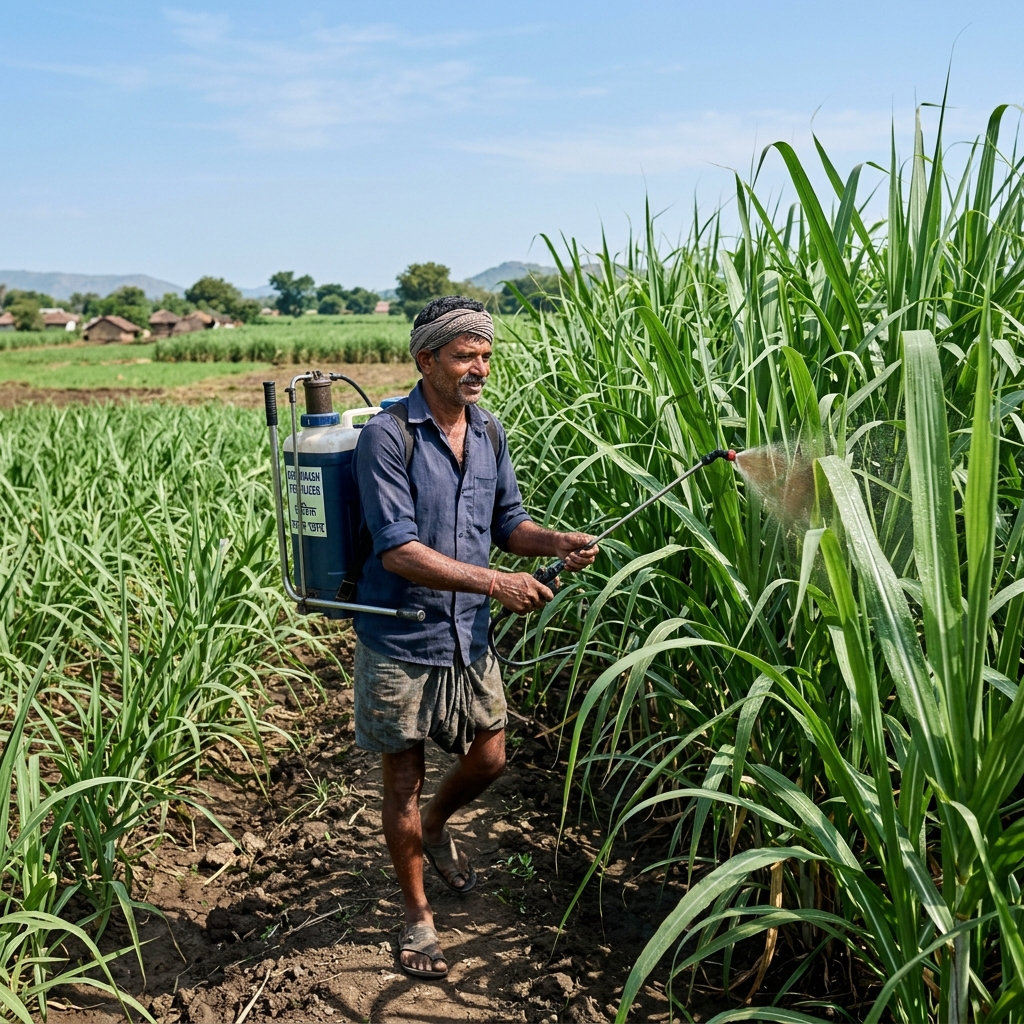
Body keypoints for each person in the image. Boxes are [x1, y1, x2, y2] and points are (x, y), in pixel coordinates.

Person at [350, 295, 597, 979]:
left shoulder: (487, 431)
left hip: (467, 633)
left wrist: (557, 541)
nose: (479, 368)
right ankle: (417, 918)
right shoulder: (388, 437)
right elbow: (398, 550)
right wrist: (496, 584)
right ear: (426, 359)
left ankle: (434, 827)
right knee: (402, 780)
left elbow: (508, 523)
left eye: (485, 355)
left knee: (490, 757)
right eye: (465, 355)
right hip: (402, 636)